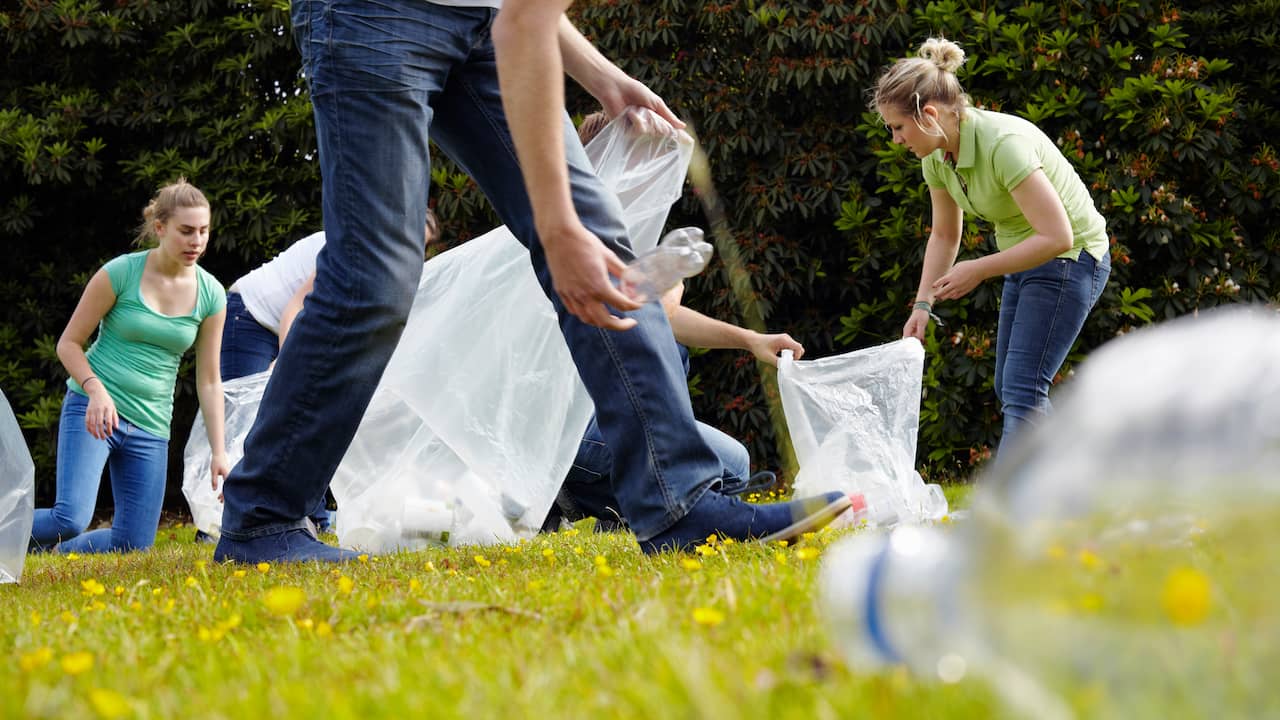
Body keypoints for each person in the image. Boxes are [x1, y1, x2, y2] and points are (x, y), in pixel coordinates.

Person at [211, 0, 852, 563]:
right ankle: (264, 518)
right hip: (371, 15)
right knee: (377, 276)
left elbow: (521, 11)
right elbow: (525, 20)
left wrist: (603, 77)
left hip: (483, 21)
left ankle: (679, 504)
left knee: (604, 246)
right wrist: (556, 225)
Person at [545, 111, 805, 532]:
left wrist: (750, 339)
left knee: (732, 460)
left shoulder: (617, 229)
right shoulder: (576, 237)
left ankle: (616, 503)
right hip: (567, 430)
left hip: (589, 421)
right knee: (731, 468)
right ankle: (575, 494)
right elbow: (634, 324)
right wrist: (670, 283)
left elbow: (667, 318)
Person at [873, 37, 1111, 456]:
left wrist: (979, 268)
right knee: (1012, 385)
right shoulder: (937, 156)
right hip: (1026, 257)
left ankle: (1018, 508)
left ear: (928, 115)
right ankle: (1067, 485)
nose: (895, 140)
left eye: (897, 127)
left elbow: (1059, 236)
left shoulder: (1003, 145)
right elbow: (945, 235)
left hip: (1072, 258)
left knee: (1022, 387)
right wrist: (922, 306)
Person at [31, 179, 229, 554]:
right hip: (94, 409)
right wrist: (95, 389)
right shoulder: (120, 273)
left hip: (151, 424)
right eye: (186, 231)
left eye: (203, 231)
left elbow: (209, 380)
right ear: (160, 228)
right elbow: (68, 344)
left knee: (133, 544)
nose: (197, 241)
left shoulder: (211, 294)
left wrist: (219, 452)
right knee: (69, 518)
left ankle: (57, 552)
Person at [214, 211, 439, 535]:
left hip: (289, 323)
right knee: (247, 421)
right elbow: (297, 305)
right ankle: (225, 519)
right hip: (251, 314)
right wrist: (288, 361)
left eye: (424, 243)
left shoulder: (388, 264)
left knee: (308, 418)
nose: (415, 245)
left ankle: (312, 517)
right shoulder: (352, 241)